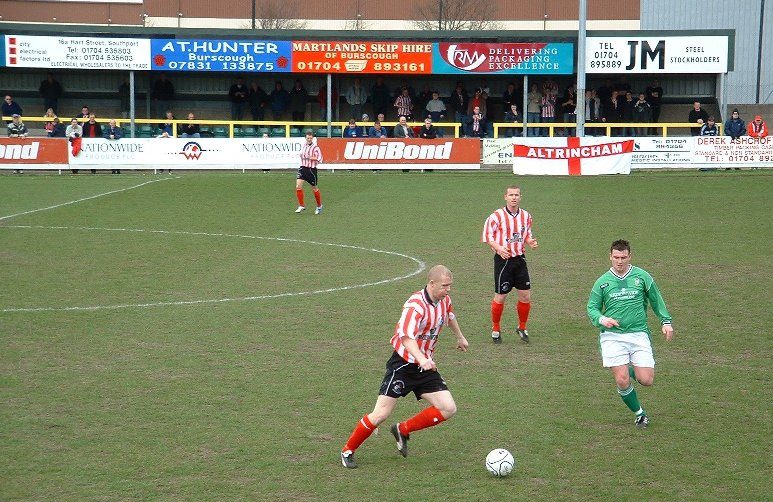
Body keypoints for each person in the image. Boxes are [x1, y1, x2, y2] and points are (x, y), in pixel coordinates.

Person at [340, 265, 469, 469]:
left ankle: (403, 429)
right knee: (381, 413)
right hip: (403, 365)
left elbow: (450, 316)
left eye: (450, 286)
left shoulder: (444, 301)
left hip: (425, 368)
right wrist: (421, 358)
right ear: (432, 283)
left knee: (448, 408)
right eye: (445, 286)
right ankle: (348, 450)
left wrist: (460, 337)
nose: (448, 290)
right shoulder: (415, 305)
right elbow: (406, 338)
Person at [586, 239, 673, 429]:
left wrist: (665, 322)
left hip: (638, 334)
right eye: (616, 257)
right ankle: (640, 414)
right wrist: (602, 319)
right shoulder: (602, 282)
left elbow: (656, 299)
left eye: (623, 257)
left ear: (629, 256)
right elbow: (591, 308)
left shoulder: (642, 277)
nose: (619, 261)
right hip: (612, 336)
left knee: (646, 380)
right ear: (610, 257)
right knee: (621, 379)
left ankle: (628, 368)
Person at [481, 185, 538, 344]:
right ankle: (496, 328)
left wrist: (530, 242)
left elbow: (526, 234)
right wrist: (499, 248)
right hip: (503, 261)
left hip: (520, 260)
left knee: (525, 295)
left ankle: (522, 327)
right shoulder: (496, 216)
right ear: (505, 197)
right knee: (500, 297)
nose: (514, 197)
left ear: (520, 197)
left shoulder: (526, 216)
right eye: (511, 195)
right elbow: (488, 237)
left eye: (517, 195)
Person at [295, 131, 323, 215]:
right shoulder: (304, 146)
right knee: (298, 186)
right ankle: (301, 205)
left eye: (311, 138)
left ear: (313, 138)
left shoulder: (316, 148)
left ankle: (319, 206)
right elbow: (303, 155)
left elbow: (319, 158)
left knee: (314, 188)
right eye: (308, 138)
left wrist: (309, 157)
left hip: (311, 170)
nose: (309, 139)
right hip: (303, 168)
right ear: (305, 138)